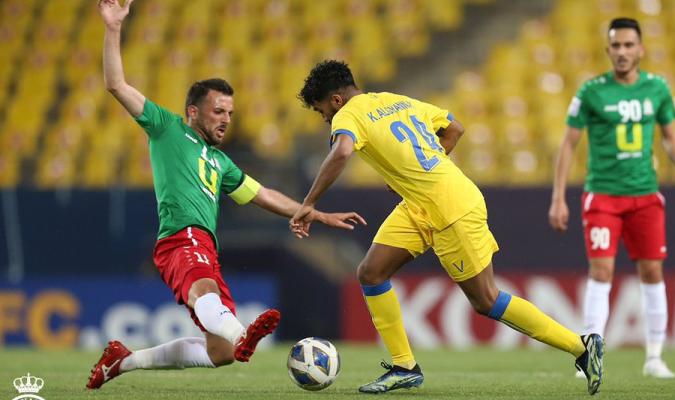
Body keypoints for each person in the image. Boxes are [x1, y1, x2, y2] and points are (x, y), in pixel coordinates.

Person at [87, 0, 365, 389]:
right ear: (193, 112)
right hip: (181, 237)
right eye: (218, 111)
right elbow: (116, 85)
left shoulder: (221, 163)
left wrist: (312, 212)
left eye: (230, 114)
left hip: (205, 246)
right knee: (208, 295)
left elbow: (262, 194)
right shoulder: (168, 128)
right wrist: (113, 27)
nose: (226, 120)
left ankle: (124, 360)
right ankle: (243, 333)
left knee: (221, 354)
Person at [290, 60, 605, 395]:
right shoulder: (395, 101)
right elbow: (455, 127)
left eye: (322, 111)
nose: (325, 119)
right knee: (371, 273)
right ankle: (404, 367)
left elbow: (341, 152)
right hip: (419, 204)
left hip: (452, 208)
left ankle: (581, 347)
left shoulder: (347, 115)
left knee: (486, 300)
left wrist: (309, 203)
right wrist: (424, 168)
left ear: (336, 100)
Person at [548, 17, 675, 379]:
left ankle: (655, 358)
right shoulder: (591, 92)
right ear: (607, 50)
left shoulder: (657, 88)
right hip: (603, 197)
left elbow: (670, 136)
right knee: (601, 272)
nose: (622, 52)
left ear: (641, 49)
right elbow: (568, 144)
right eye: (616, 45)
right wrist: (558, 197)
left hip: (645, 195)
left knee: (652, 271)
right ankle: (590, 356)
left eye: (629, 45)